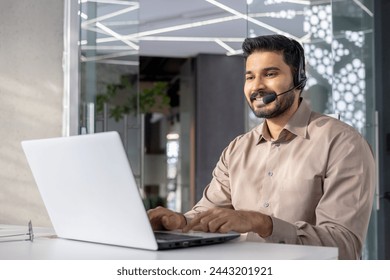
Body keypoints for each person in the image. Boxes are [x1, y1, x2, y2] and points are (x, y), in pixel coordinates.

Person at [148, 34, 376, 260]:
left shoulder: (343, 143)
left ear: (299, 79)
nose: (256, 86)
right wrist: (181, 222)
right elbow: (207, 214)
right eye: (250, 77)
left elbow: (343, 246)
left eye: (270, 74)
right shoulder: (237, 149)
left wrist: (262, 223)